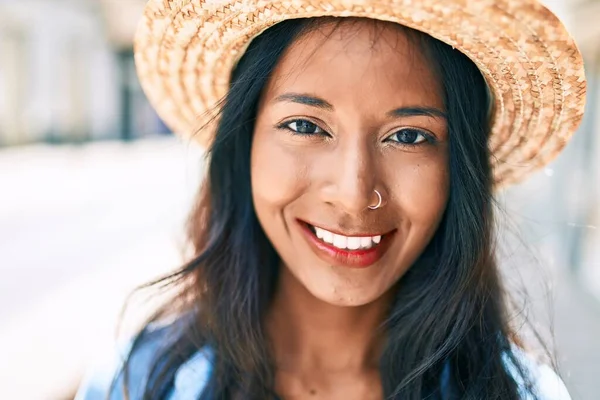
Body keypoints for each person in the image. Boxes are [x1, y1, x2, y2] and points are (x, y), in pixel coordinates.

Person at [76, 0, 587, 399]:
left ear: (460, 169)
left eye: (408, 136)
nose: (353, 193)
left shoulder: (524, 394)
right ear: (243, 142)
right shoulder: (135, 384)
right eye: (305, 126)